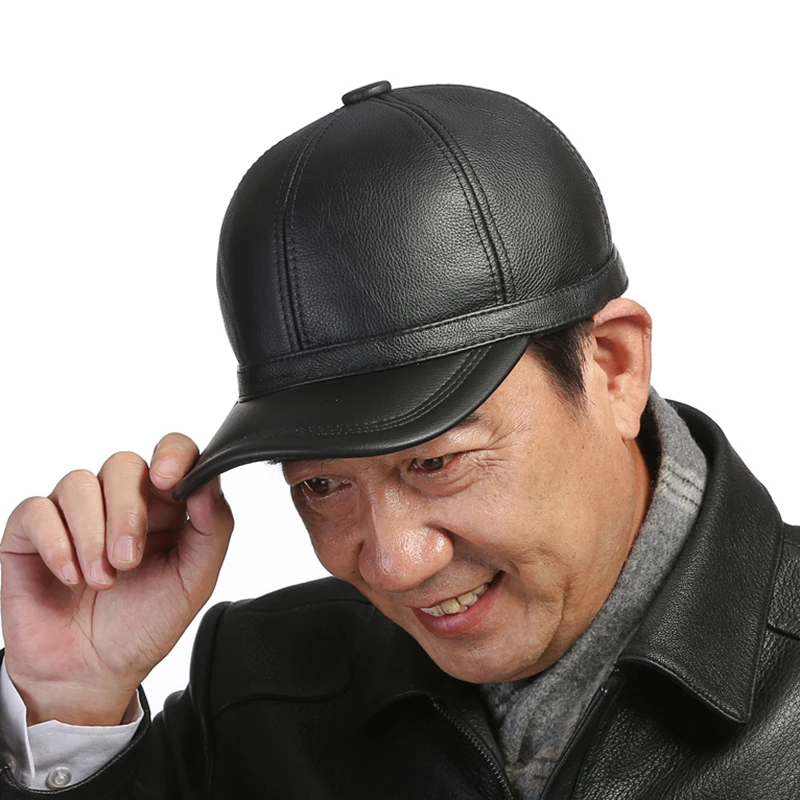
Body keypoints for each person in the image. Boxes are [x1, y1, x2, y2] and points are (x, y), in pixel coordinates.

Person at [0, 80, 798, 799]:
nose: (392, 564)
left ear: (613, 369)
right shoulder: (254, 694)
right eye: (321, 485)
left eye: (437, 462)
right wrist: (72, 703)